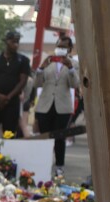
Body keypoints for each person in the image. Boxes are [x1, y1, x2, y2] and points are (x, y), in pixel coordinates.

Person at [35, 35, 79, 177]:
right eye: (59, 46)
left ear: (70, 49)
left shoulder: (74, 64)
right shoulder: (48, 62)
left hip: (63, 106)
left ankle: (59, 165)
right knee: (44, 137)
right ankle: (43, 163)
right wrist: (41, 68)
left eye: (64, 47)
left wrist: (70, 68)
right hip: (45, 105)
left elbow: (75, 85)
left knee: (59, 137)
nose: (61, 49)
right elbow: (37, 83)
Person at [0, 31, 30, 138]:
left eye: (17, 42)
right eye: (13, 42)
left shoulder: (23, 60)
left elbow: (23, 81)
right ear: (6, 42)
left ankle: (7, 154)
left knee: (9, 133)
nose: (16, 45)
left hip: (12, 102)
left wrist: (7, 97)